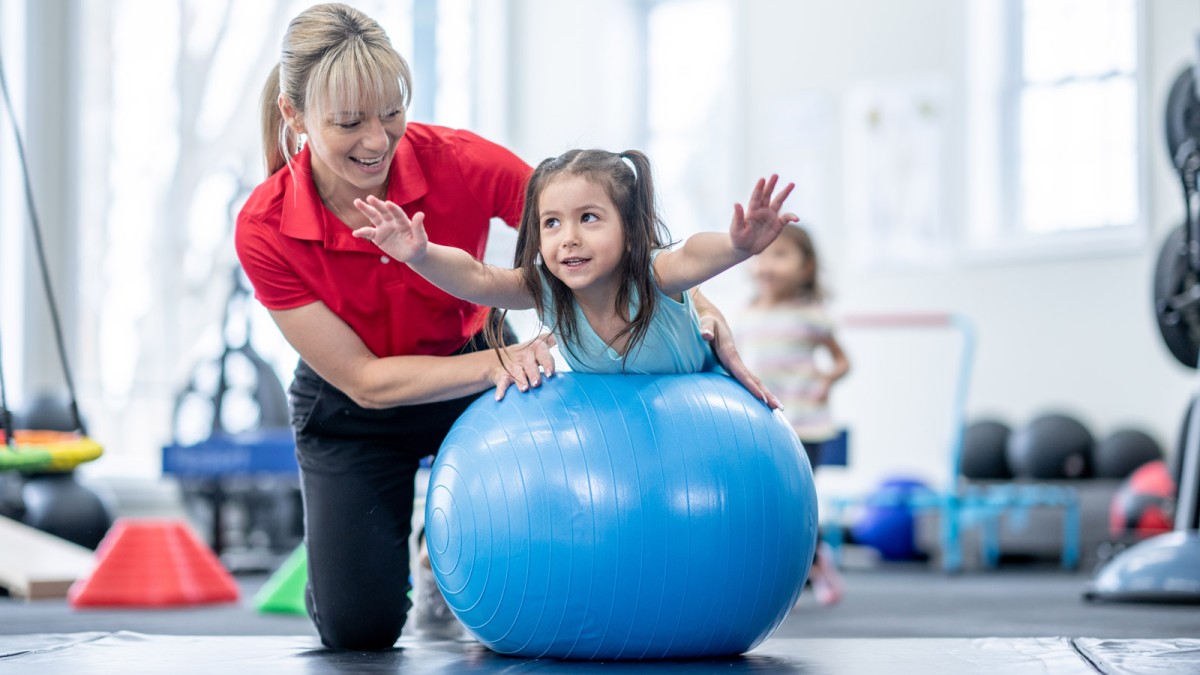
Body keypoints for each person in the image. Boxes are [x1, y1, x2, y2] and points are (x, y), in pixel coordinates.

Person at [236, 3, 779, 651]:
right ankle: (420, 544)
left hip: (477, 365)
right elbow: (364, 381)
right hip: (356, 407)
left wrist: (698, 310)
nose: (378, 140)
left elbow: (597, 233)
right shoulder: (264, 226)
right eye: (350, 122)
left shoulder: (461, 162)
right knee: (358, 629)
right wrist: (496, 363)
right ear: (295, 117)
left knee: (547, 559)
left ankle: (446, 547)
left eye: (391, 113)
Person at [353, 148, 796, 376]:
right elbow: (477, 277)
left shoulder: (654, 275)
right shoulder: (546, 288)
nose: (569, 239)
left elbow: (692, 254)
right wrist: (420, 255)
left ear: (629, 229)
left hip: (696, 421)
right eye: (552, 223)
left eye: (589, 218)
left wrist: (738, 247)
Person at [736, 223, 851, 606]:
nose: (768, 263)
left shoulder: (811, 315)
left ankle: (818, 563)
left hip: (806, 422)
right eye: (762, 254)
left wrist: (826, 379)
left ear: (806, 267)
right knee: (768, 499)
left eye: (781, 255)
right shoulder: (746, 313)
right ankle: (786, 570)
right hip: (765, 424)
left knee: (800, 499)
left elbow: (841, 361)